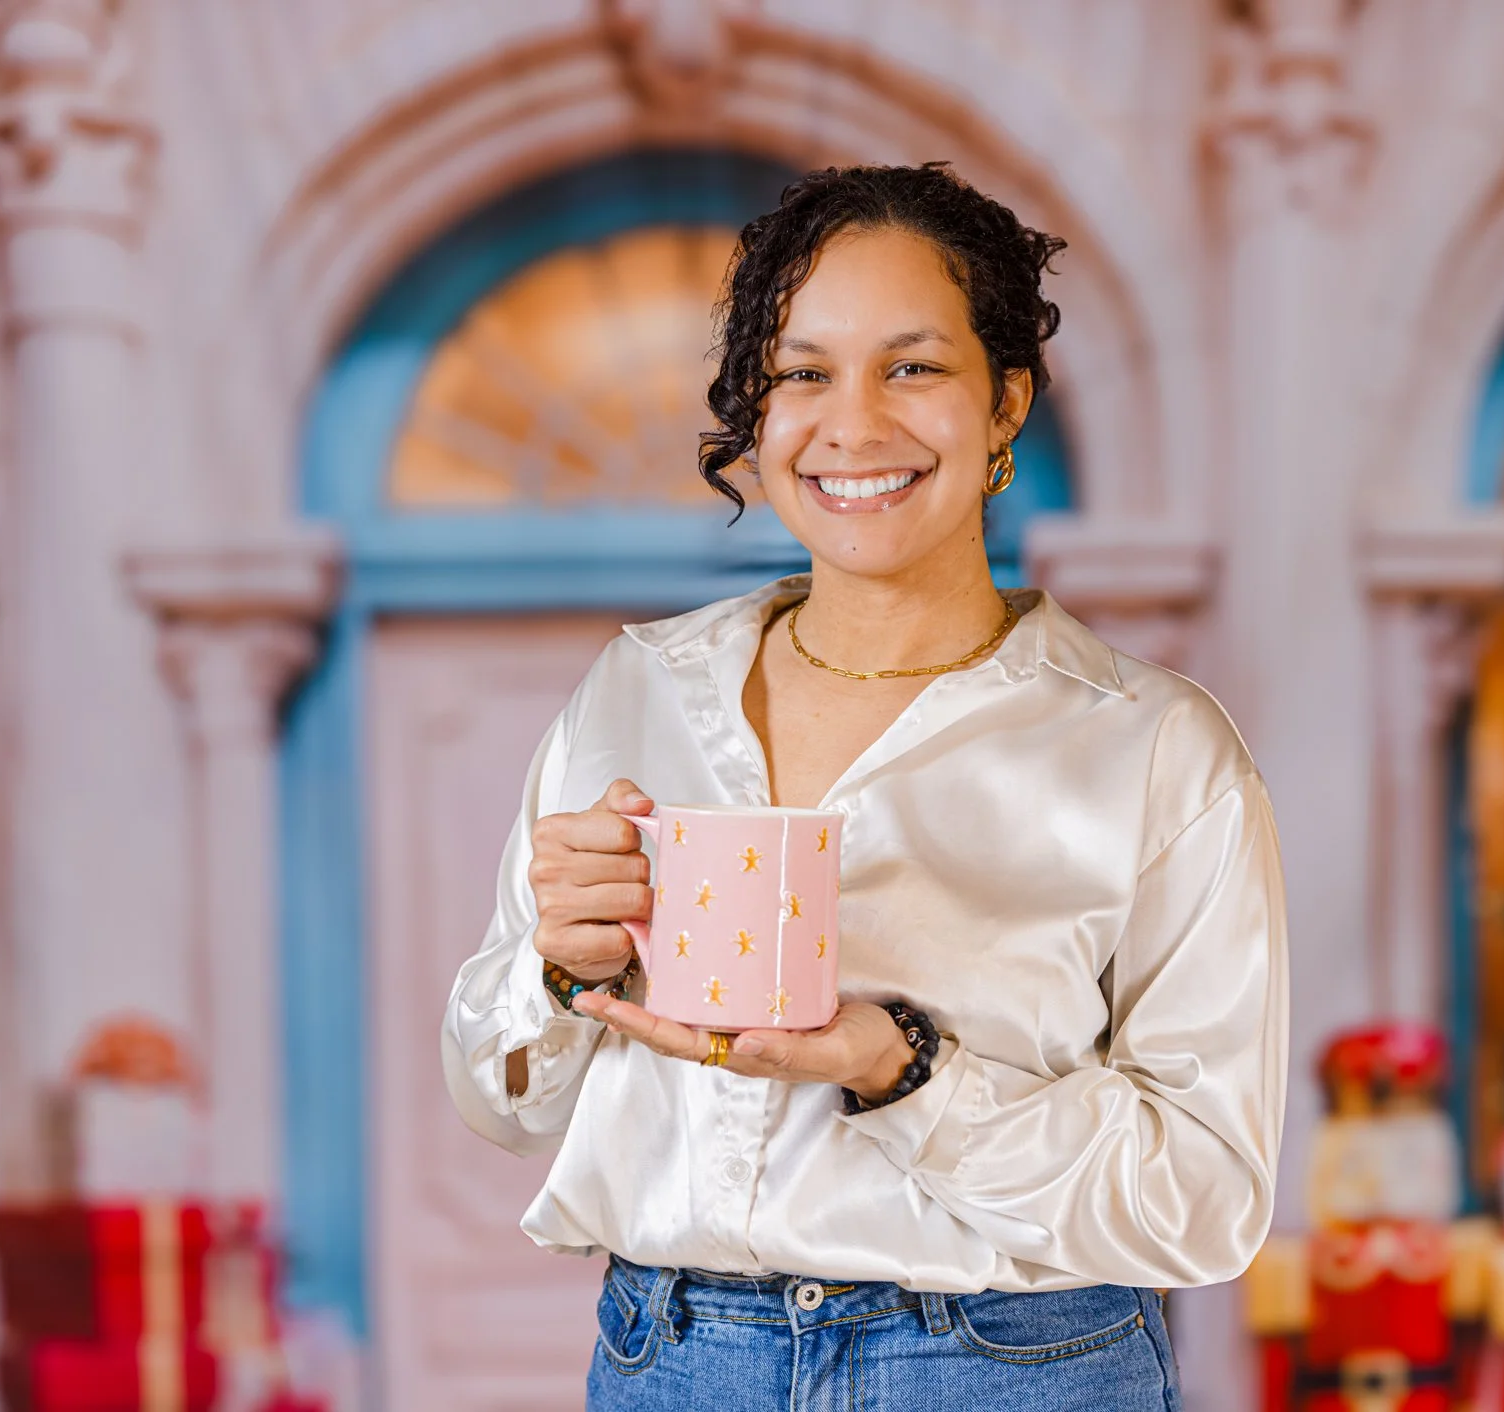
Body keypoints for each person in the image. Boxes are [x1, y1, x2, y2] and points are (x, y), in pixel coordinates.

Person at [441, 161, 1289, 1410]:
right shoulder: (637, 690)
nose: (850, 426)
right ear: (757, 409)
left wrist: (903, 1068)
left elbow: (1207, 1200)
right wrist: (556, 971)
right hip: (672, 1356)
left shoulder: (1156, 748)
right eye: (801, 373)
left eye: (911, 366)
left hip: (1009, 1363)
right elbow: (501, 1105)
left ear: (1006, 400)